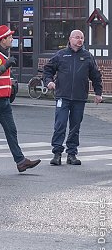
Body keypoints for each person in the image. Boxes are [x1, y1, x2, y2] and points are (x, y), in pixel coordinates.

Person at [0, 25, 41, 173]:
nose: (12, 39)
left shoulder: (1, 53)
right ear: (2, 39)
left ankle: (21, 161)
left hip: (3, 100)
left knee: (11, 131)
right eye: (9, 37)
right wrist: (6, 65)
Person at [43, 29, 103, 165]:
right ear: (70, 39)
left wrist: (98, 93)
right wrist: (49, 82)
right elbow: (48, 70)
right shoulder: (61, 55)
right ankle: (57, 154)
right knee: (60, 124)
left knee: (75, 127)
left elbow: (96, 76)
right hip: (62, 97)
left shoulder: (87, 56)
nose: (79, 40)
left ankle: (72, 154)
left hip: (79, 98)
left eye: (82, 38)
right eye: (77, 37)